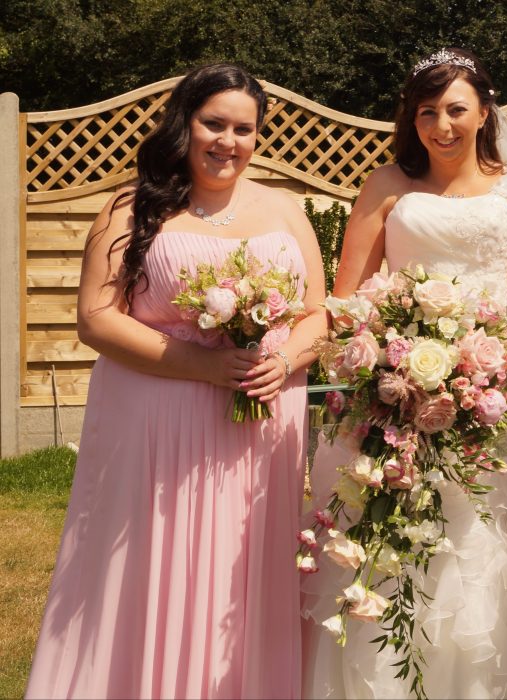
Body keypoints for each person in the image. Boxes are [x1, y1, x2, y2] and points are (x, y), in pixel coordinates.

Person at [301, 47, 507, 699]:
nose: (441, 124)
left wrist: (476, 366)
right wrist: (391, 364)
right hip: (392, 392)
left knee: (479, 547)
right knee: (388, 540)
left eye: (456, 109)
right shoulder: (385, 184)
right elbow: (347, 297)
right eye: (427, 111)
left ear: (484, 111)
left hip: (489, 396)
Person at [26, 63, 326, 698]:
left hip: (264, 423)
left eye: (244, 129)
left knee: (245, 568)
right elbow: (95, 318)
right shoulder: (131, 207)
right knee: (154, 563)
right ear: (183, 123)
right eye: (213, 123)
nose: (229, 141)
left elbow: (319, 314)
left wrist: (286, 359)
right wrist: (205, 366)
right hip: (159, 417)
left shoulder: (286, 209)